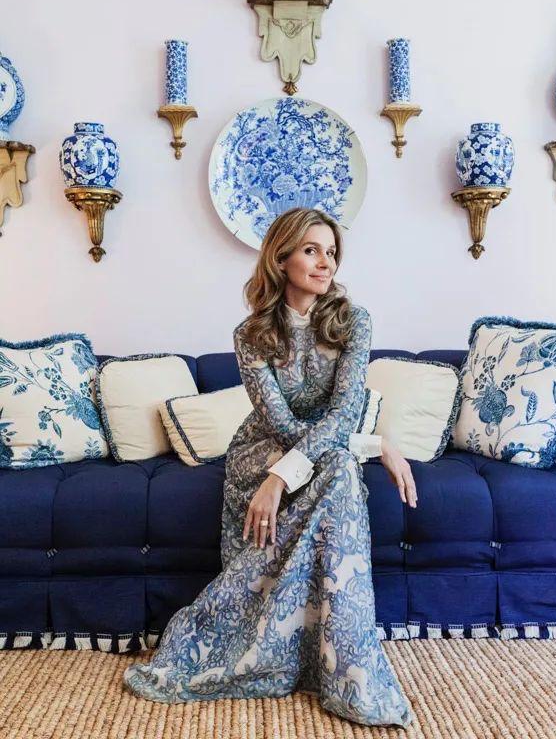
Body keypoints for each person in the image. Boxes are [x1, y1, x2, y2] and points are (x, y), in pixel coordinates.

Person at [123, 207, 417, 728]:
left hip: (309, 454)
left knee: (341, 471)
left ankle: (348, 671)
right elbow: (278, 422)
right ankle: (332, 670)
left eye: (331, 252)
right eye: (311, 250)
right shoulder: (251, 333)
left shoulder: (354, 321)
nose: (325, 263)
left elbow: (344, 412)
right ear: (281, 259)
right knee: (340, 465)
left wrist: (287, 475)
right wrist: (371, 446)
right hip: (262, 449)